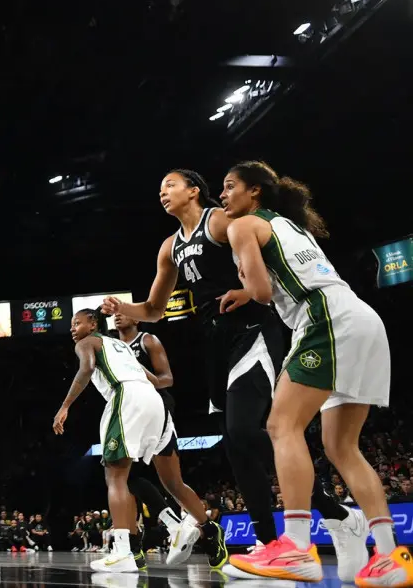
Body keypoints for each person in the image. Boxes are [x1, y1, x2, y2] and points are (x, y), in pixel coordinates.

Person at [101, 169, 368, 574]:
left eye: (170, 185)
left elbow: (270, 250)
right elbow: (154, 310)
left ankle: (329, 511)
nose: (162, 193)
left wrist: (251, 290)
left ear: (194, 190)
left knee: (244, 431)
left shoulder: (223, 221)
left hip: (253, 328)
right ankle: (270, 541)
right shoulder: (169, 247)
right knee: (234, 443)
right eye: (159, 189)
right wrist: (124, 309)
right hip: (215, 342)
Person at [220, 162, 411, 586]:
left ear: (254, 193)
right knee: (342, 446)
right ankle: (389, 557)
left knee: (280, 424)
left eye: (230, 187)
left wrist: (243, 279)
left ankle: (295, 545)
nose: (223, 195)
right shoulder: (289, 226)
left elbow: (263, 292)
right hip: (361, 317)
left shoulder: (242, 227)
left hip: (324, 320)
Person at [53, 308, 174, 573]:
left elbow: (87, 369)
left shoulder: (87, 342)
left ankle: (123, 551)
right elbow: (155, 379)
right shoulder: (120, 344)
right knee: (131, 475)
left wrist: (65, 406)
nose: (73, 329)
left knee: (115, 476)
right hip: (153, 399)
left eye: (77, 323)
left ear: (93, 323)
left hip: (126, 395)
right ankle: (167, 526)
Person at [112, 311, 228, 567]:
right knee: (124, 477)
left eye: (125, 312)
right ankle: (134, 547)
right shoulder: (113, 348)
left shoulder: (147, 340)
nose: (118, 317)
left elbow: (167, 379)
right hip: (129, 410)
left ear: (137, 319)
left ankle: (208, 530)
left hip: (155, 408)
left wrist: (140, 371)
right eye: (115, 314)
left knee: (172, 483)